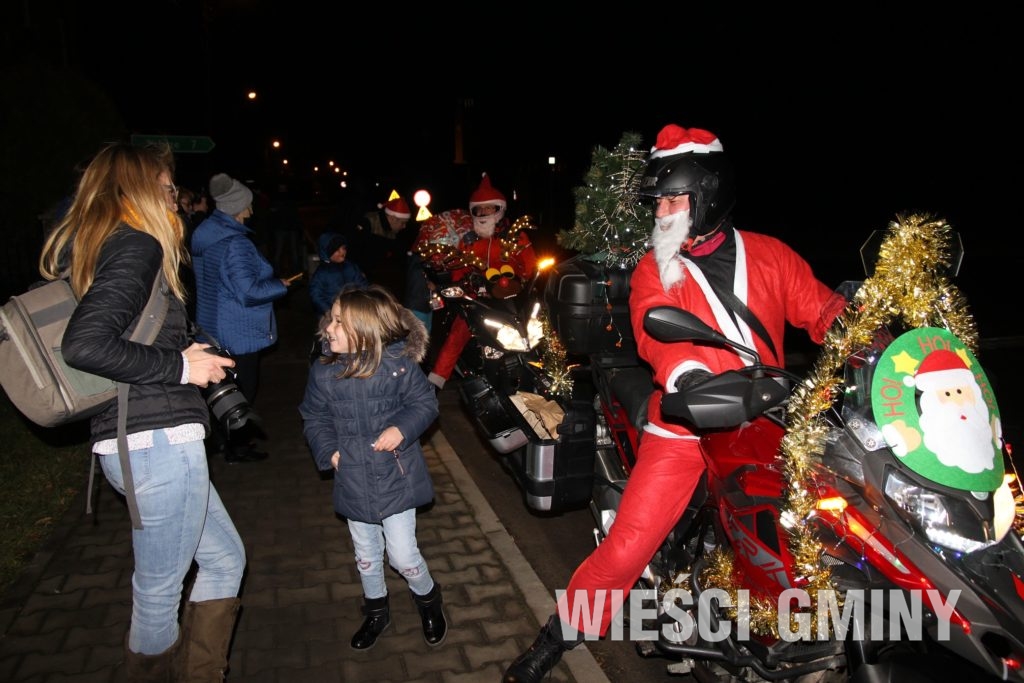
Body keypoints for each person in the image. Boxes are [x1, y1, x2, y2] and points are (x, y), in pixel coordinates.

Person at [501, 124, 849, 682]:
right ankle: (557, 637)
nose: (660, 212)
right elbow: (655, 332)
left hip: (770, 422)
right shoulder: (654, 267)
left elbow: (823, 310)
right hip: (686, 426)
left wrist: (873, 340)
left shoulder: (770, 255)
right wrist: (688, 377)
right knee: (628, 546)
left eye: (672, 200)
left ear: (707, 194)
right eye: (657, 202)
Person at [39, 142, 245, 681]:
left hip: (146, 440)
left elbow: (123, 335)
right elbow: (85, 345)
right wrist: (181, 366)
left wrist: (185, 350)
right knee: (157, 594)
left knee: (225, 559)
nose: (176, 200)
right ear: (140, 188)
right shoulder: (136, 244)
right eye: (168, 188)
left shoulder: (106, 245)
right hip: (159, 445)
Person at [298, 284, 447, 650]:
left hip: (396, 477)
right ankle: (377, 612)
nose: (328, 328)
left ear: (365, 332)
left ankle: (429, 599)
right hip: (353, 479)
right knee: (365, 556)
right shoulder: (324, 372)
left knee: (402, 556)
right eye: (331, 320)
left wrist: (402, 429)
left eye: (338, 322)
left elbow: (425, 404)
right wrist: (329, 451)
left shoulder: (398, 366)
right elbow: (314, 416)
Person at [191, 172, 293, 463]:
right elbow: (248, 292)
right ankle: (237, 449)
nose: (250, 210)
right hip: (238, 332)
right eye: (247, 204)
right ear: (237, 207)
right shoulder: (235, 243)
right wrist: (280, 286)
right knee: (241, 392)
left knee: (220, 391)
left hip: (212, 326)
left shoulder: (206, 235)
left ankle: (221, 442)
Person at [426, 174, 537, 390]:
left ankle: (548, 375)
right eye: (479, 209)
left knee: (537, 328)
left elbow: (530, 264)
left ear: (499, 209)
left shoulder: (515, 236)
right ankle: (434, 384)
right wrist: (456, 284)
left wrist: (527, 277)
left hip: (513, 298)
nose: (484, 213)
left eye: (489, 208)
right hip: (479, 300)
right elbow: (458, 268)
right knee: (458, 334)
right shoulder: (468, 241)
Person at [309, 231, 369, 317]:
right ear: (327, 253)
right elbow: (316, 295)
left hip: (353, 309)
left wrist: (363, 299)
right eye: (337, 250)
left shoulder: (351, 266)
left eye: (344, 248)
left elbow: (362, 283)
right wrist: (327, 310)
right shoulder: (321, 274)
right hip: (332, 313)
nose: (342, 252)